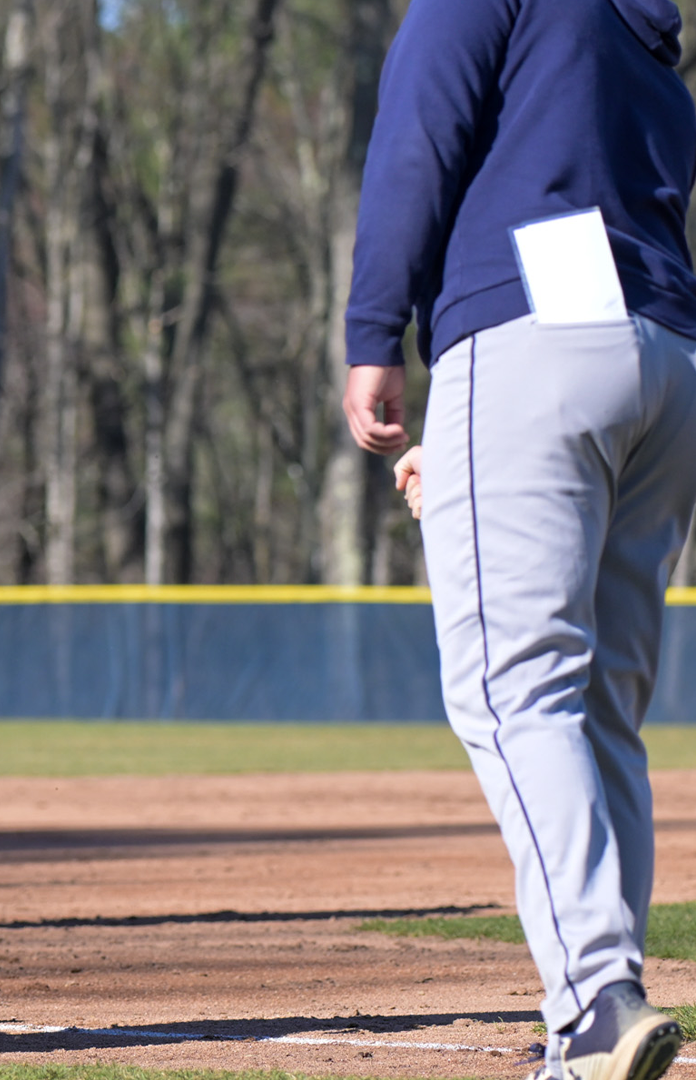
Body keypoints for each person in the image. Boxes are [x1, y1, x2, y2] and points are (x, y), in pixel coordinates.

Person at [343, 2, 696, 1078]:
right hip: (666, 352)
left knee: (515, 688)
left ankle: (593, 1000)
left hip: (530, 328)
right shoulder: (641, 23)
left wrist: (373, 335)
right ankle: (597, 1012)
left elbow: (418, 141)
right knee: (600, 712)